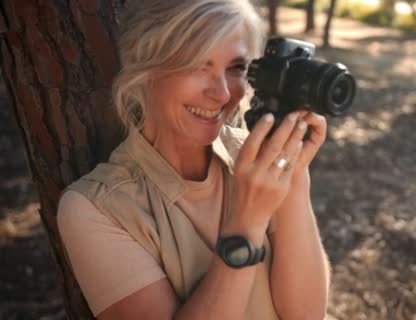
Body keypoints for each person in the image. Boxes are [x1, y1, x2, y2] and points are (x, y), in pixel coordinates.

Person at [56, 0, 331, 319]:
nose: (223, 94)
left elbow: (307, 314)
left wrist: (296, 179)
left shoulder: (260, 161)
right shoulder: (94, 209)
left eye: (236, 68)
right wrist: (247, 224)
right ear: (144, 67)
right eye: (197, 65)